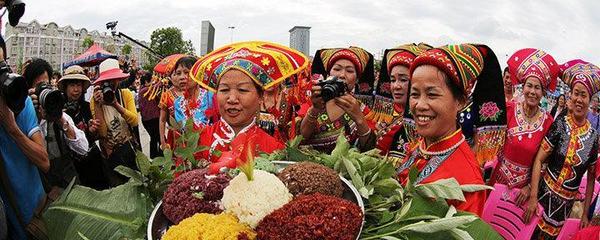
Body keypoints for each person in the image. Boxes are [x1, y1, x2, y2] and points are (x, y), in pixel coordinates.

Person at [396, 44, 506, 216]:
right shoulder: (423, 143)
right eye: (415, 94)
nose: (419, 105)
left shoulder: (467, 182)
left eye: (432, 94)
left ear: (460, 102)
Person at [189, 41, 308, 169]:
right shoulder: (196, 141)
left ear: (260, 96)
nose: (232, 99)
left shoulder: (274, 149)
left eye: (243, 90)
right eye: (224, 90)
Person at [524, 60, 600, 239]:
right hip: (541, 197)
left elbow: (590, 179)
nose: (579, 99)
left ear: (590, 100)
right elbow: (539, 159)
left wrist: (584, 214)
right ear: (570, 96)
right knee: (527, 234)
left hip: (564, 208)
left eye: (584, 95)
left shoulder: (594, 137)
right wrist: (533, 196)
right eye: (576, 94)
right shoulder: (560, 123)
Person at [489, 48, 558, 192]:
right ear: (523, 87)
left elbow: (545, 162)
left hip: (522, 191)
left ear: (543, 93)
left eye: (537, 88)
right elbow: (490, 137)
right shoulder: (509, 109)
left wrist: (530, 187)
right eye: (529, 86)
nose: (533, 91)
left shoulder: (548, 122)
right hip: (498, 181)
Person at [0, 45, 49, 239]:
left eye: (2, 65)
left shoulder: (22, 103)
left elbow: (44, 162)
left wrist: (11, 127)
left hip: (37, 214)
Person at [299, 46, 376, 153]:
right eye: (337, 69)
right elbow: (300, 138)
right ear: (328, 74)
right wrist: (315, 109)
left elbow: (369, 149)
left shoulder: (362, 110)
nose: (342, 75)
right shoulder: (313, 101)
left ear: (357, 79)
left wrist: (359, 119)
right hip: (308, 166)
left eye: (349, 71)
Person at [373, 43, 430, 166]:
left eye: (403, 80)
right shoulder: (386, 114)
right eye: (393, 80)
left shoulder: (427, 119)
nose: (396, 86)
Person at [90, 58, 139, 186]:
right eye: (106, 81)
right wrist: (97, 105)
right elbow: (102, 133)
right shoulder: (95, 100)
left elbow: (134, 121)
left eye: (114, 80)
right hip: (112, 154)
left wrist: (116, 104)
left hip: (129, 148)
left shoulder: (125, 94)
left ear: (119, 80)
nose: (110, 84)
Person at [59, 65, 109, 190]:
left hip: (93, 162)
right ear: (65, 88)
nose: (76, 90)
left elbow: (94, 136)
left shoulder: (86, 106)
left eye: (79, 85)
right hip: (73, 167)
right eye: (72, 85)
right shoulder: (58, 112)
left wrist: (91, 130)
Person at [159, 56, 216, 152]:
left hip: (209, 151)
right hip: (185, 155)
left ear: (197, 73)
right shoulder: (178, 103)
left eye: (187, 72)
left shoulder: (211, 97)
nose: (182, 77)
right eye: (178, 73)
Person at [138, 71, 162, 158]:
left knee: (157, 137)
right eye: (151, 80)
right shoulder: (144, 90)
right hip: (151, 119)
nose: (153, 82)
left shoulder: (146, 90)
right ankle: (154, 156)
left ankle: (159, 155)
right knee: (155, 138)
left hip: (153, 118)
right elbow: (155, 87)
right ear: (146, 82)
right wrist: (161, 81)